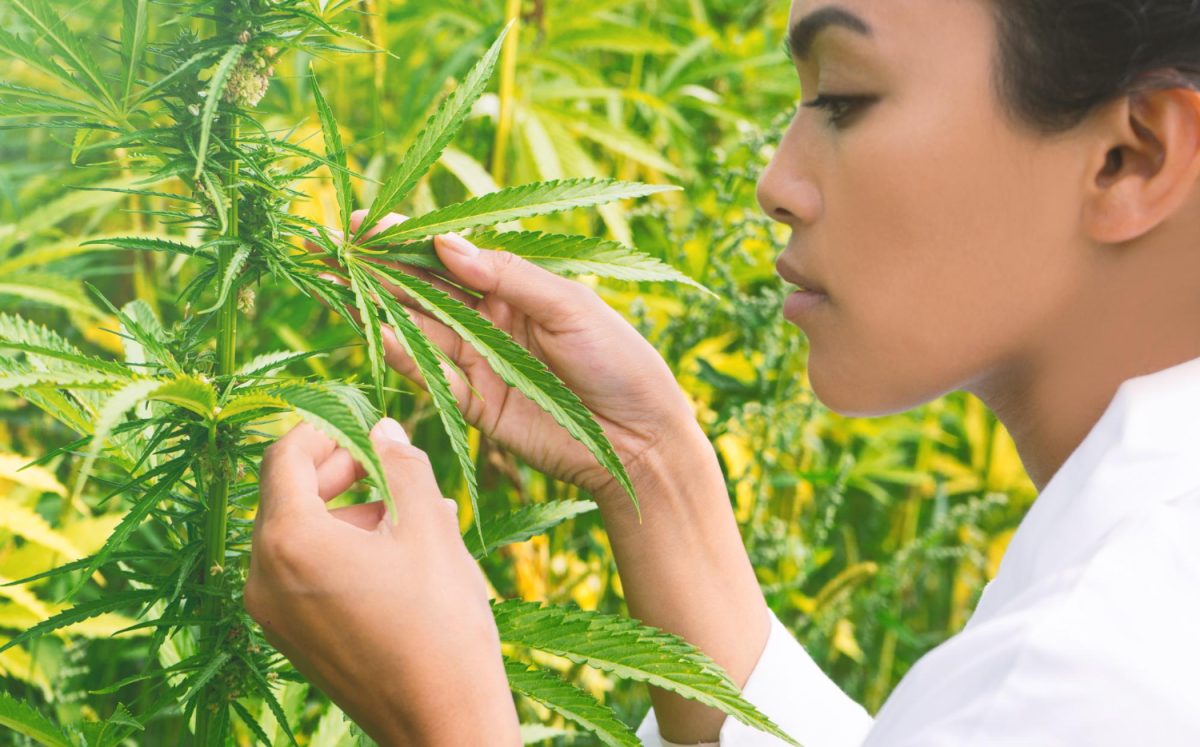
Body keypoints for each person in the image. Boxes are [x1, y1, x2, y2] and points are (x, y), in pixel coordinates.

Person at [243, 0, 1200, 744]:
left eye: (843, 99)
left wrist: (444, 716)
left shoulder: (1090, 670)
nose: (774, 183)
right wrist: (651, 468)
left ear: (1130, 158)